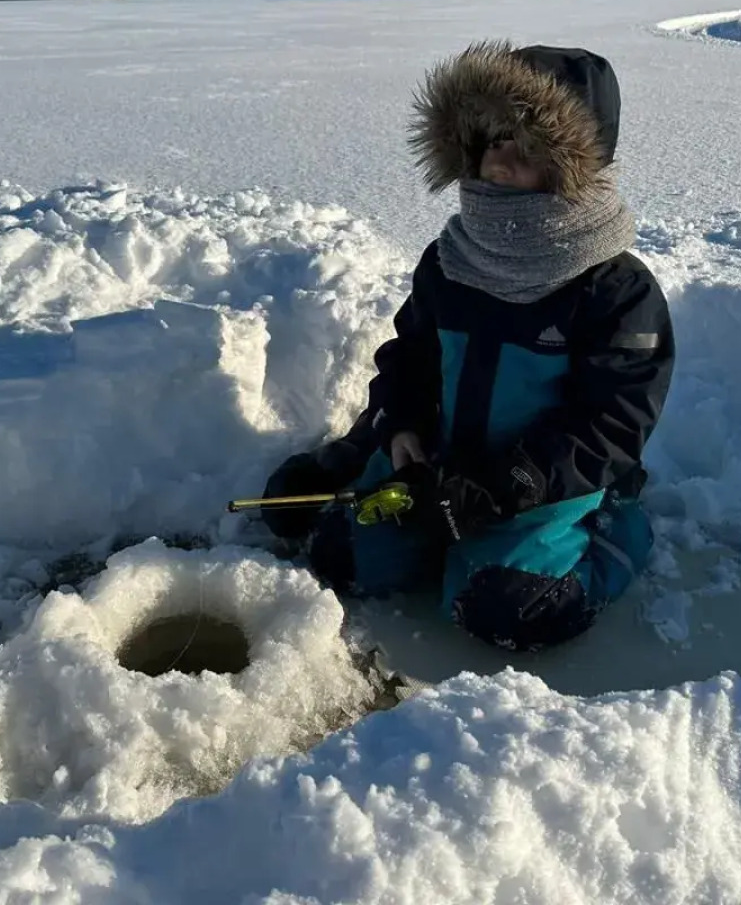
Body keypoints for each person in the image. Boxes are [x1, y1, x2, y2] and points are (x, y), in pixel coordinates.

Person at [260, 40, 676, 652]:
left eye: (526, 146)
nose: (499, 162)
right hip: (439, 468)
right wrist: (395, 432)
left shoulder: (614, 288)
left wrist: (505, 485)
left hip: (543, 486)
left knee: (507, 609)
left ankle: (615, 526)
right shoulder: (450, 261)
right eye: (490, 140)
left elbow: (614, 422)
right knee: (342, 558)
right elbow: (410, 359)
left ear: (572, 164)